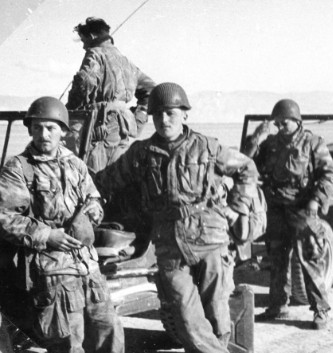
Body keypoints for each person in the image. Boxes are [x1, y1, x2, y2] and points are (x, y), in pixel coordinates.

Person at [95, 82, 259, 352]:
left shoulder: (208, 148)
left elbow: (247, 168)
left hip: (210, 239)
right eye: (157, 114)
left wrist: (237, 206)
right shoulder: (141, 154)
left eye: (170, 112)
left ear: (185, 114)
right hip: (169, 244)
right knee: (185, 318)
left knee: (217, 314)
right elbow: (105, 181)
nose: (163, 119)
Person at [0, 97, 124, 353]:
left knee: (109, 335)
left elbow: (93, 197)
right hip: (52, 273)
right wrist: (47, 235)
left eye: (51, 128)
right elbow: (4, 217)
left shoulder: (76, 164)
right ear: (31, 130)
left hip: (89, 268)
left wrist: (94, 210)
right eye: (37, 128)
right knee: (69, 344)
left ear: (63, 131)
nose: (44, 134)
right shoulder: (19, 168)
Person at [246, 99, 333, 330]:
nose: (279, 128)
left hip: (302, 208)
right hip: (276, 208)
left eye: (283, 123)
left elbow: (331, 175)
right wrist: (257, 136)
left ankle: (321, 310)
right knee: (276, 258)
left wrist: (316, 200)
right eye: (276, 124)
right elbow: (247, 162)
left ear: (297, 122)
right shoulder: (270, 143)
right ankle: (278, 306)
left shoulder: (312, 143)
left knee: (310, 257)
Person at [66, 17, 156, 174]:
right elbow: (151, 90)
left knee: (93, 178)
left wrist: (68, 112)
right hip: (124, 129)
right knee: (118, 177)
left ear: (92, 36)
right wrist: (139, 118)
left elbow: (85, 82)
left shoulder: (94, 54)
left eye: (83, 40)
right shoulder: (126, 61)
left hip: (99, 130)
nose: (84, 46)